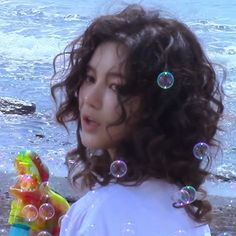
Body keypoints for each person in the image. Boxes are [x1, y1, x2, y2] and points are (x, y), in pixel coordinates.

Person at [51, 4, 224, 236]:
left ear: (158, 105)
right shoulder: (187, 211)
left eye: (116, 86)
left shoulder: (98, 211)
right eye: (90, 78)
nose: (90, 99)